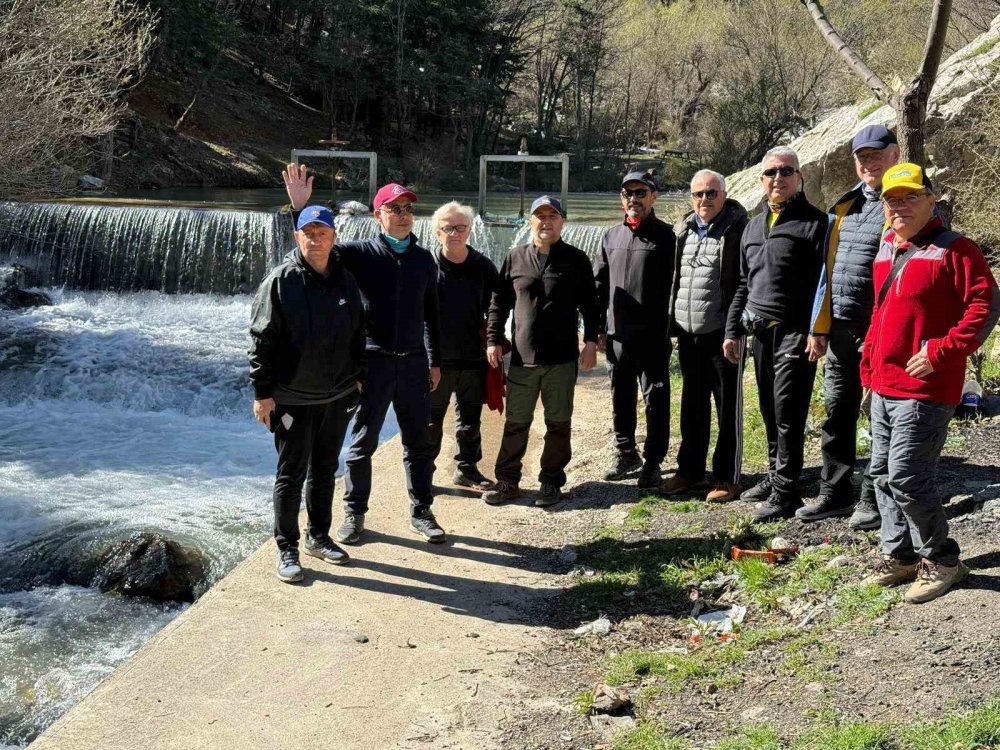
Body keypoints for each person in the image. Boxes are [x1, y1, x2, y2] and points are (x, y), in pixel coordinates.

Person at [282, 165, 444, 544]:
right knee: (361, 444)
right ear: (378, 215)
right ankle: (354, 513)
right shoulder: (359, 254)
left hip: (415, 362)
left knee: (418, 442)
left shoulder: (424, 259)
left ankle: (422, 511)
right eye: (395, 208)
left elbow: (432, 315)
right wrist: (298, 209)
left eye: (408, 208)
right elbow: (313, 249)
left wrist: (435, 359)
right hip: (373, 363)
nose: (403, 214)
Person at [860, 162, 999, 604]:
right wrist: (868, 364)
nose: (900, 206)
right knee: (881, 475)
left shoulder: (956, 248)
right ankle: (899, 555)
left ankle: (942, 560)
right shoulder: (887, 244)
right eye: (892, 199)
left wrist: (942, 351)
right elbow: (881, 314)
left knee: (907, 477)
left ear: (930, 200)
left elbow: (986, 307)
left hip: (924, 389)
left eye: (910, 197)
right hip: (883, 384)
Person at [249, 205, 366, 583]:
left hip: (337, 396)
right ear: (297, 236)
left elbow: (357, 334)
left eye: (323, 233)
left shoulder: (346, 280)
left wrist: (358, 379)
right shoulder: (280, 281)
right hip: (292, 399)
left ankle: (319, 537)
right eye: (308, 233)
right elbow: (261, 342)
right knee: (291, 475)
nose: (316, 239)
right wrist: (263, 394)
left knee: (325, 470)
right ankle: (287, 548)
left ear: (334, 237)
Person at [796, 125, 899, 527]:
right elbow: (828, 271)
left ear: (895, 154)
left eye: (876, 154)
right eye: (862, 156)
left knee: (880, 417)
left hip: (882, 331)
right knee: (837, 412)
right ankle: (835, 492)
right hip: (840, 329)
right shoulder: (846, 206)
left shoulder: (906, 202)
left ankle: (873, 499)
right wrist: (818, 326)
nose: (868, 162)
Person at [723, 146, 828, 521]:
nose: (778, 178)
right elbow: (742, 284)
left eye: (786, 171)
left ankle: (787, 490)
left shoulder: (816, 223)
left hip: (796, 333)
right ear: (761, 180)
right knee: (769, 407)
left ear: (799, 177)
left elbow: (825, 284)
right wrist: (732, 330)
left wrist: (818, 330)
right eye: (771, 173)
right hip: (759, 333)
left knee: (788, 410)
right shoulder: (752, 225)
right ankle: (775, 474)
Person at [483, 196, 599, 506]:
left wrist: (590, 342)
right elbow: (498, 304)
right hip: (522, 359)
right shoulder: (515, 257)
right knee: (516, 423)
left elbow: (591, 304)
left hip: (561, 359)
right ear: (531, 221)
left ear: (562, 221)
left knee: (558, 424)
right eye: (540, 216)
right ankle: (507, 482)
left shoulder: (576, 259)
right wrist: (493, 339)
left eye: (552, 215)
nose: (546, 221)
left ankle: (551, 483)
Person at [660, 169, 749, 502]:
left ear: (723, 194)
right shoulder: (685, 228)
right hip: (688, 334)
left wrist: (734, 329)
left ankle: (728, 477)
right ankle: (690, 471)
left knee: (728, 408)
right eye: (698, 194)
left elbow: (744, 282)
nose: (704, 200)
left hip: (722, 335)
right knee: (692, 405)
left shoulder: (737, 228)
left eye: (711, 193)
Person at [594, 170, 676, 488]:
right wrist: (598, 328)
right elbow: (599, 285)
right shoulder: (610, 236)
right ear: (621, 199)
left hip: (653, 335)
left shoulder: (667, 237)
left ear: (653, 197)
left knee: (655, 399)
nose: (633, 200)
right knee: (621, 396)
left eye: (640, 193)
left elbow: (677, 285)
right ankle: (626, 452)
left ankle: (653, 461)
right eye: (628, 194)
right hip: (617, 335)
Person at [427, 201, 500, 490]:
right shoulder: (426, 265)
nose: (454, 233)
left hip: (472, 357)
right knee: (430, 423)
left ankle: (467, 469)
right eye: (448, 228)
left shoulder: (483, 266)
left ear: (469, 230)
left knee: (470, 421)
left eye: (460, 227)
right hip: (436, 360)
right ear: (437, 232)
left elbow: (496, 308)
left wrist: (494, 342)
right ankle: (423, 473)